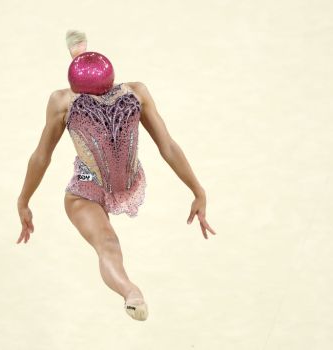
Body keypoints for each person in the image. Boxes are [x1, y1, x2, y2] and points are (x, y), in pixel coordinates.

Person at [16, 30, 217, 321]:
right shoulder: (64, 102)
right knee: (108, 243)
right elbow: (41, 156)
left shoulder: (135, 94)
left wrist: (198, 190)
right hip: (86, 190)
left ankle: (79, 52)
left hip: (124, 181)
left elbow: (168, 146)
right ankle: (130, 292)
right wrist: (24, 199)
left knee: (108, 243)